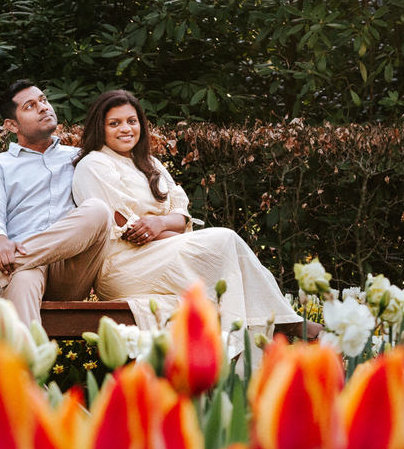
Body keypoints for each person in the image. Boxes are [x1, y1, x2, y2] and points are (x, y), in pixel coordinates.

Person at [70, 89, 310, 354]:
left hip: (165, 251)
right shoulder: (94, 165)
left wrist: (161, 225)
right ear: (99, 128)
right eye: (114, 123)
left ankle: (260, 339)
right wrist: (175, 232)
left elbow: (181, 214)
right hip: (124, 265)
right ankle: (286, 325)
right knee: (223, 240)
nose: (126, 129)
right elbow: (127, 227)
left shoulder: (151, 164)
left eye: (132, 120)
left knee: (224, 251)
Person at [0, 80, 111, 327]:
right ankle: (25, 364)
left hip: (70, 272)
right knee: (24, 274)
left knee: (98, 210)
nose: (43, 107)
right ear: (11, 125)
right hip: (17, 271)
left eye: (43, 100)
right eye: (30, 106)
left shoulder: (80, 158)